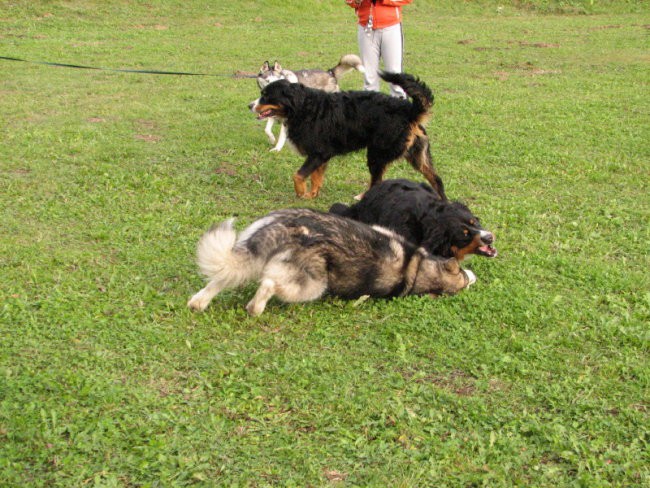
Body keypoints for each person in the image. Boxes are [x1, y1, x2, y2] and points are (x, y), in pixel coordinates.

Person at [345, 0, 413, 98]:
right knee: (369, 79)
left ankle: (401, 111)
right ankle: (370, 112)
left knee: (395, 77)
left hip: (391, 26)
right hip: (366, 27)